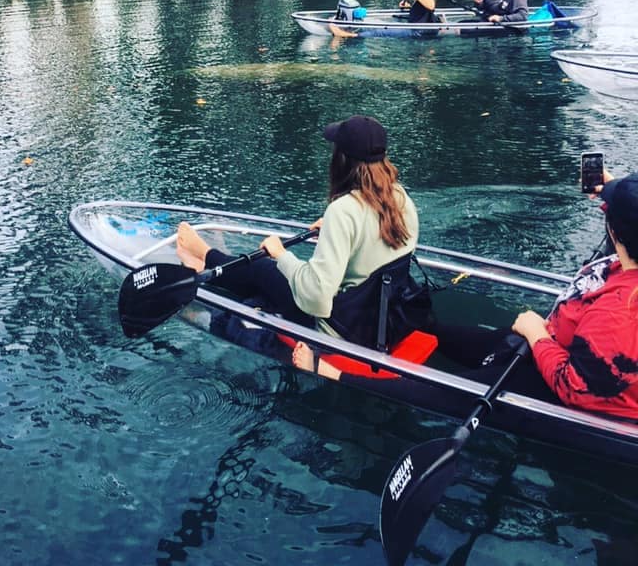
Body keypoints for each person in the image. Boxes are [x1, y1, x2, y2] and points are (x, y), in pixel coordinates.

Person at [294, 169, 638, 420]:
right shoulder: (625, 260)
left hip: (548, 377)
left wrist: (537, 336)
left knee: (443, 389)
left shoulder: (622, 311)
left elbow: (578, 388)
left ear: (616, 230)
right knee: (434, 332)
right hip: (543, 345)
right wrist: (613, 193)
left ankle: (335, 373)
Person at [176, 114, 419, 340]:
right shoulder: (401, 197)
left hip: (339, 325)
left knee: (265, 267)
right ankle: (207, 264)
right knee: (266, 274)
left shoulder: (343, 211)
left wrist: (281, 254)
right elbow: (376, 249)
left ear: (342, 159)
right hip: (383, 316)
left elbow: (316, 297)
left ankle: (204, 256)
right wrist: (339, 235)